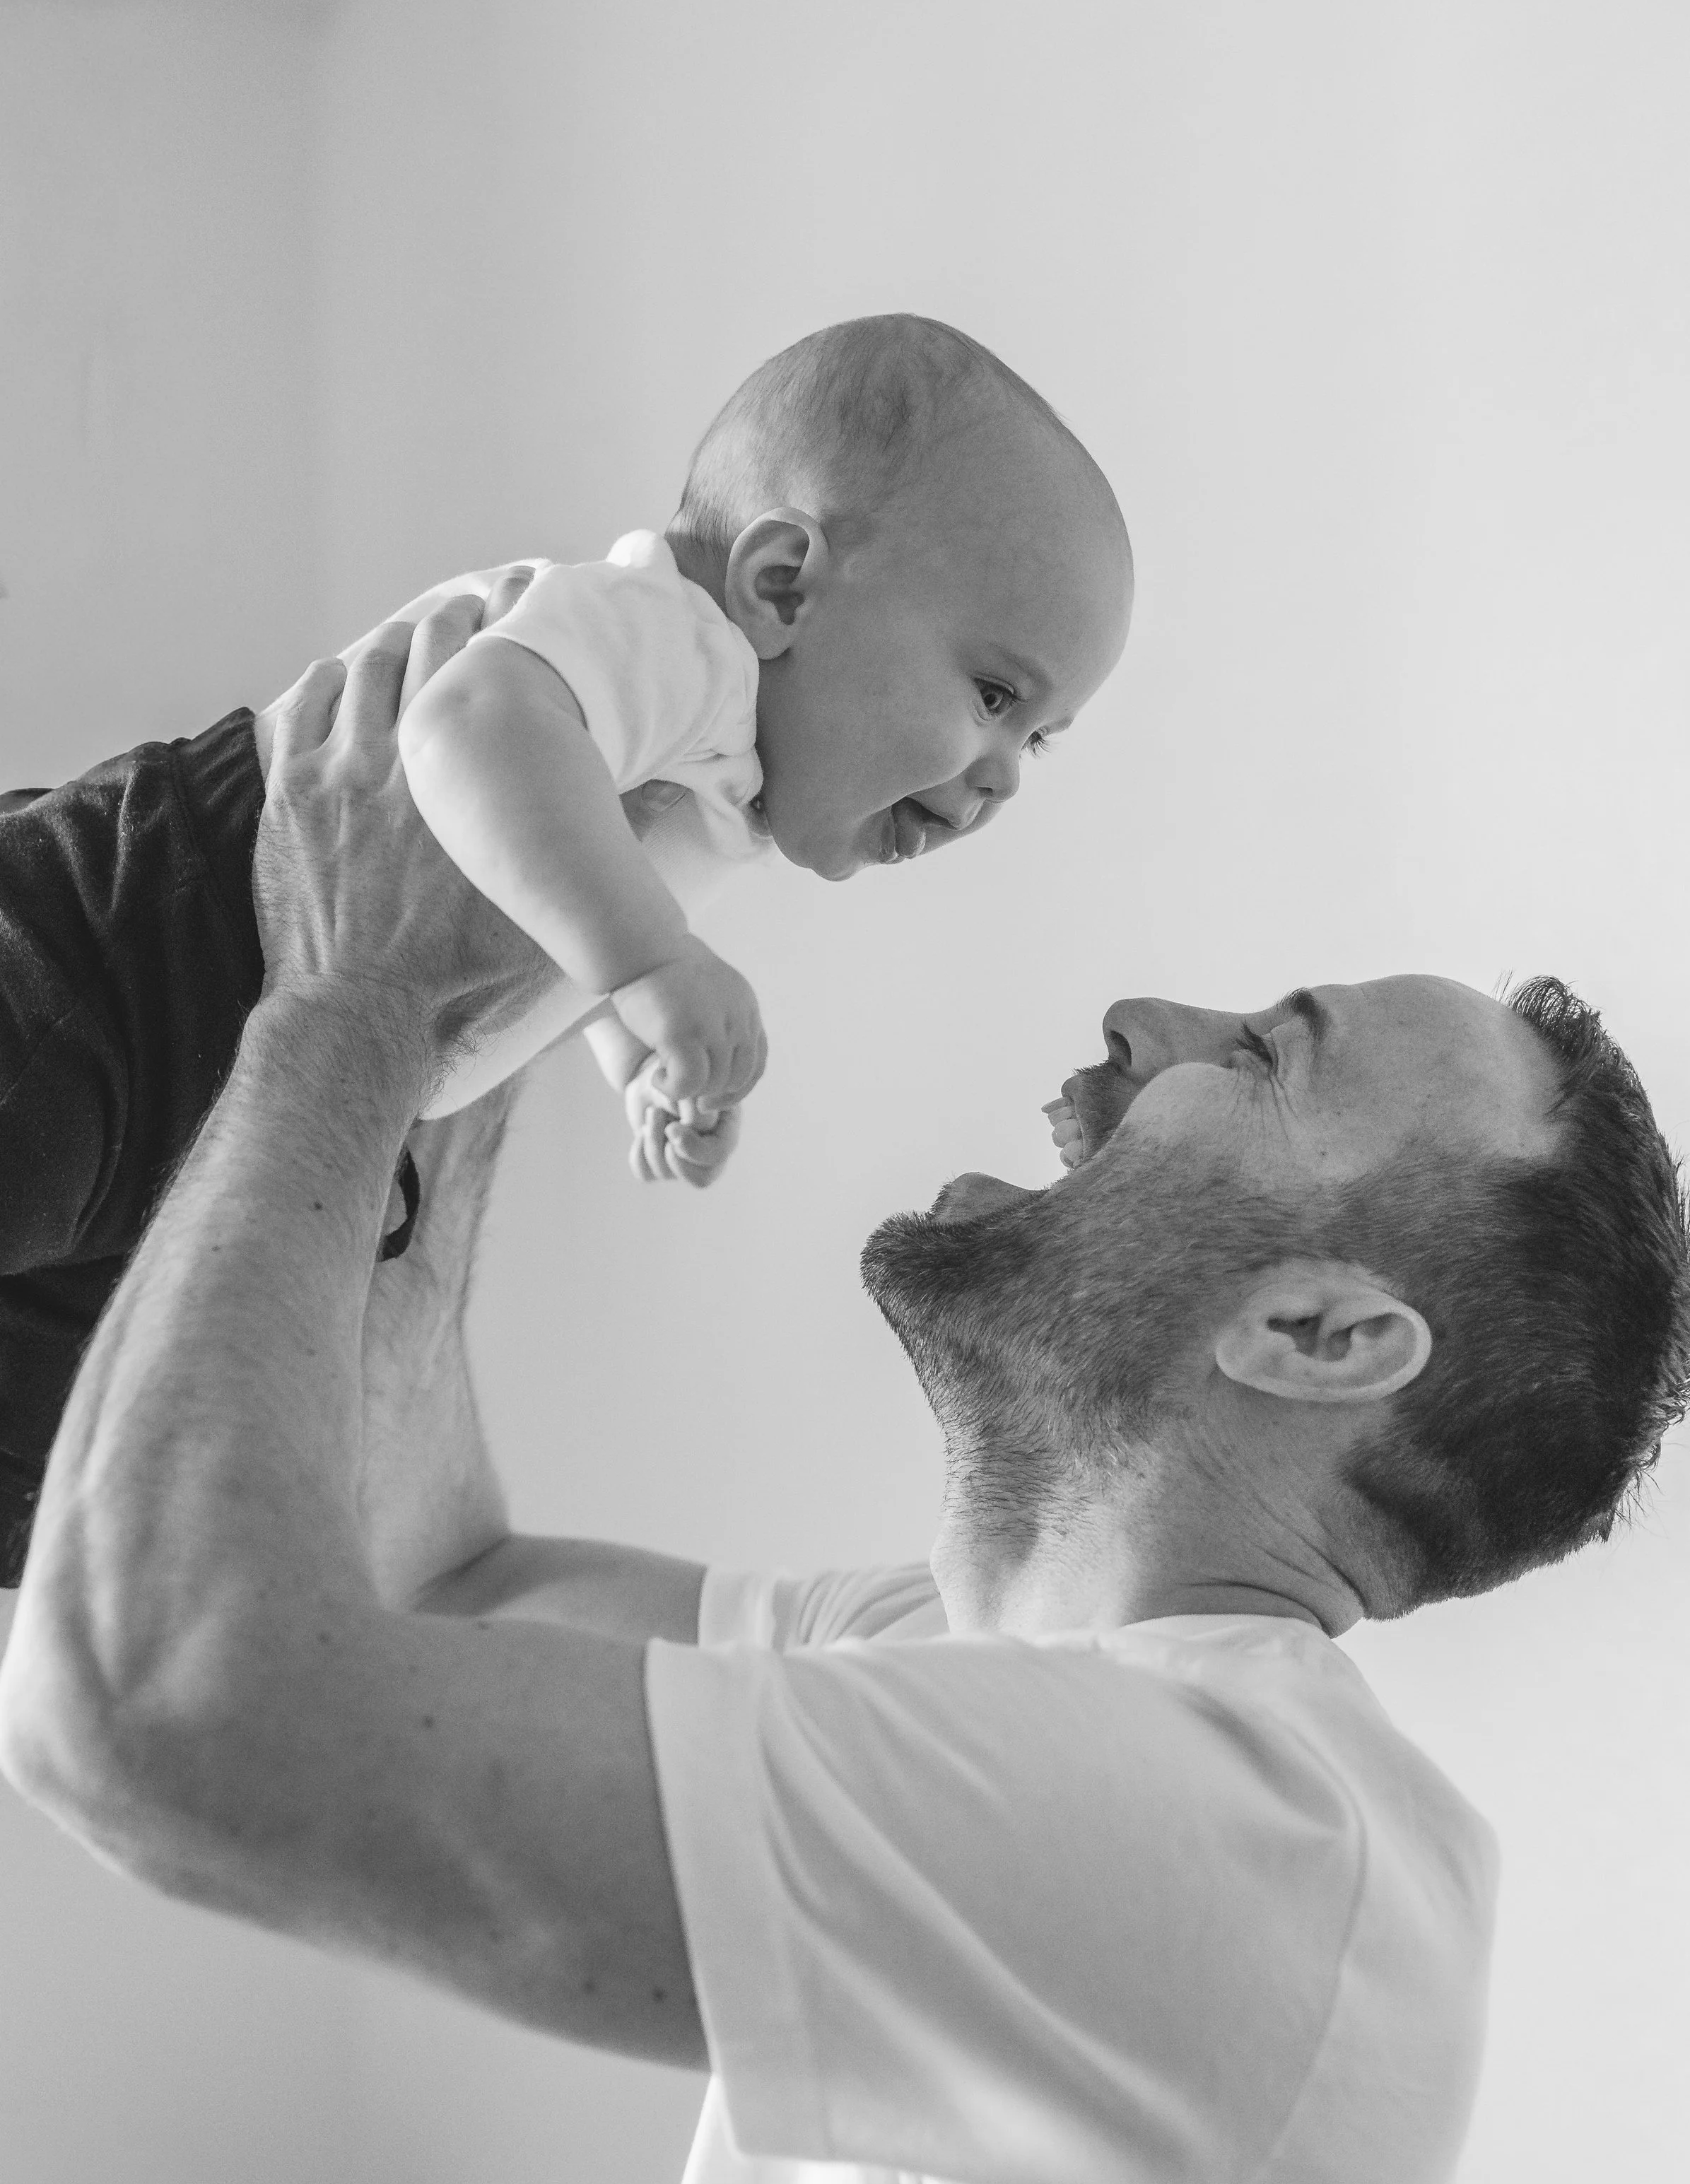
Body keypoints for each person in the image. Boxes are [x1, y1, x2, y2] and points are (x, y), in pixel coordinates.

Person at [0, 594, 1690, 2184]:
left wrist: (333, 1000)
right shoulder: (976, 1679)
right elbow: (447, 1584)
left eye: (1268, 1050)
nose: (1147, 1016)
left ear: (1315, 1332)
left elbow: (159, 1711)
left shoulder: (1242, 1841)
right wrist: (457, 1047)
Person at [0, 315, 1134, 1585]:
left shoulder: (714, 766)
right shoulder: (677, 643)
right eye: (993, 695)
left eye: (1037, 741)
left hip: (229, 1043)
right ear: (784, 587)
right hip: (146, 935)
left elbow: (537, 892)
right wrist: (650, 966)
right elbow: (473, 727)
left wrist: (631, 1050)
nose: (1002, 779)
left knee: (39, 1461)